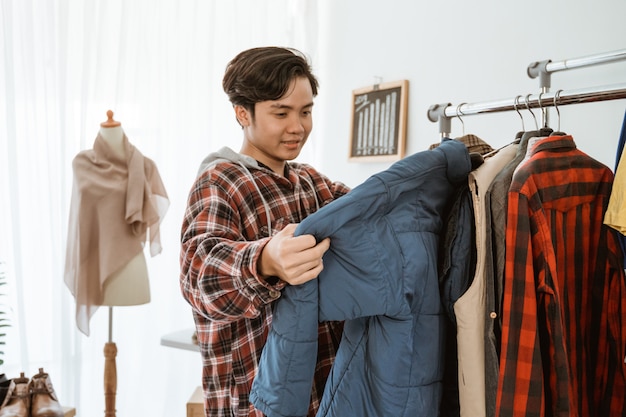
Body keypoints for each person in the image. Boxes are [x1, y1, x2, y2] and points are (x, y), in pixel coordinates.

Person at [179, 46, 350, 417]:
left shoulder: (312, 183)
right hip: (252, 401)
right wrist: (265, 259)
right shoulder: (220, 181)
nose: (298, 126)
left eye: (306, 112)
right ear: (243, 113)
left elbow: (368, 210)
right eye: (281, 112)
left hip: (325, 394)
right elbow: (198, 275)